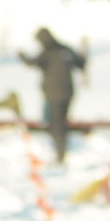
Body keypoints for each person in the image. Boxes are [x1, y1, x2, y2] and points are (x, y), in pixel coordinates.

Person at [18, 26, 88, 164]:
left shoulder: (48, 52)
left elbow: (32, 63)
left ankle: (60, 156)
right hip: (68, 92)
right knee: (60, 122)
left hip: (54, 94)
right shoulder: (65, 50)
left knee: (56, 124)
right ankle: (60, 152)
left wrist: (21, 55)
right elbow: (81, 64)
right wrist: (83, 57)